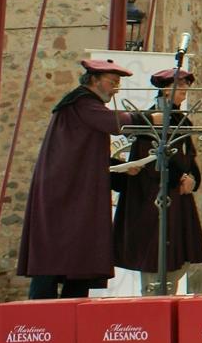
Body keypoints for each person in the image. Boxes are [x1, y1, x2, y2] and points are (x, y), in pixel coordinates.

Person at [18, 58, 136, 299]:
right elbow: (113, 122)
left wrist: (118, 166)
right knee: (51, 261)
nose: (116, 88)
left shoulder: (80, 105)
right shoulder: (82, 102)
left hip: (71, 192)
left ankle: (71, 318)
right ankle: (40, 324)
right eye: (112, 82)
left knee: (79, 260)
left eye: (118, 83)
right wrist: (148, 119)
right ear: (94, 80)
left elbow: (82, 156)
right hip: (61, 195)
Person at [113, 68, 202, 294]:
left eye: (186, 85)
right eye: (181, 85)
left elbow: (189, 154)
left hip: (178, 195)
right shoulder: (149, 119)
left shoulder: (181, 120)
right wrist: (179, 178)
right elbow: (152, 156)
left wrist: (193, 178)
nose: (185, 90)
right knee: (155, 255)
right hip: (154, 196)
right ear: (166, 89)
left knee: (178, 257)